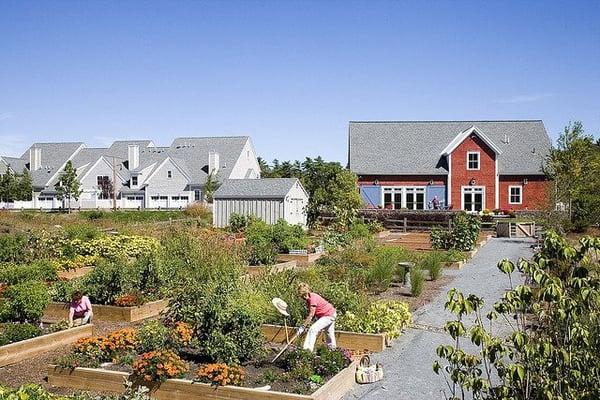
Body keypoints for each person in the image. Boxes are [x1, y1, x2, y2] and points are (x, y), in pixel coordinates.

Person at [296, 283, 337, 352]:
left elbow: (311, 314)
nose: (304, 297)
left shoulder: (313, 298)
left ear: (308, 292)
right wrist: (306, 323)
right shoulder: (308, 300)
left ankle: (307, 351)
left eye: (305, 295)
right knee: (329, 333)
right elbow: (313, 314)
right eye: (302, 296)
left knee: (313, 329)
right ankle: (332, 351)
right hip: (330, 314)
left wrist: (303, 326)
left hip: (328, 315)